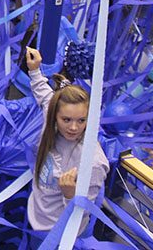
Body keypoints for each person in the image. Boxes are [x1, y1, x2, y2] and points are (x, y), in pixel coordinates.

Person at [25, 47, 109, 234]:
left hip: (59, 234)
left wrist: (71, 195)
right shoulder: (52, 118)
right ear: (56, 116)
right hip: (36, 217)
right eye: (66, 120)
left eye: (81, 120)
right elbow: (46, 97)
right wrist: (34, 70)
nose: (73, 128)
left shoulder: (94, 162)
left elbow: (83, 212)